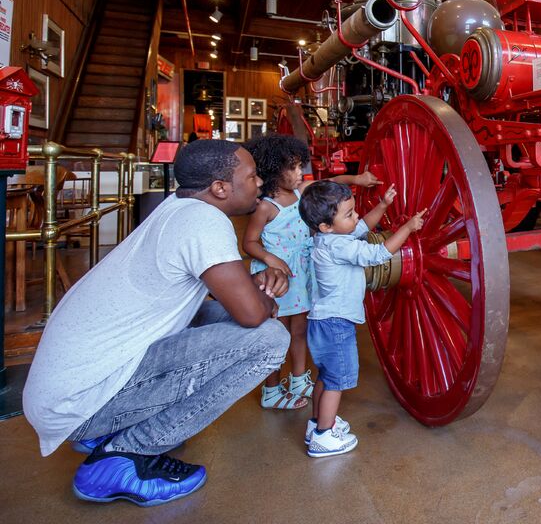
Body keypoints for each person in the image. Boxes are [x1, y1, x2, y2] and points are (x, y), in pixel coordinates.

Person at [22, 140, 292, 507]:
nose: (260, 182)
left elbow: (243, 305)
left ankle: (114, 428)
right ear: (220, 188)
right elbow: (254, 315)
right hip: (77, 404)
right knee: (269, 340)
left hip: (66, 391)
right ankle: (125, 454)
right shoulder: (204, 221)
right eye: (251, 175)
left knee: (228, 316)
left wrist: (257, 294)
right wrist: (264, 291)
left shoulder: (178, 207)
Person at [242, 134, 380, 410]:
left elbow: (330, 186)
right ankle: (271, 390)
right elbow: (249, 242)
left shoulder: (301, 192)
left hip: (303, 275)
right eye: (291, 168)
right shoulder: (266, 207)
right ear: (272, 171)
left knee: (300, 329)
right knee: (276, 337)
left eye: (298, 166)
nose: (299, 172)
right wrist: (270, 259)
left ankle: (297, 379)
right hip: (277, 279)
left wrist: (357, 179)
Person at [298, 180, 426, 457]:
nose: (356, 216)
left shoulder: (328, 239)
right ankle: (324, 436)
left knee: (326, 375)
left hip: (320, 321)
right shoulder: (340, 247)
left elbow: (362, 227)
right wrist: (406, 228)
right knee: (336, 381)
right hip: (337, 323)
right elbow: (378, 254)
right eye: (349, 213)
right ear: (326, 226)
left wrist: (382, 205)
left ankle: (316, 425)